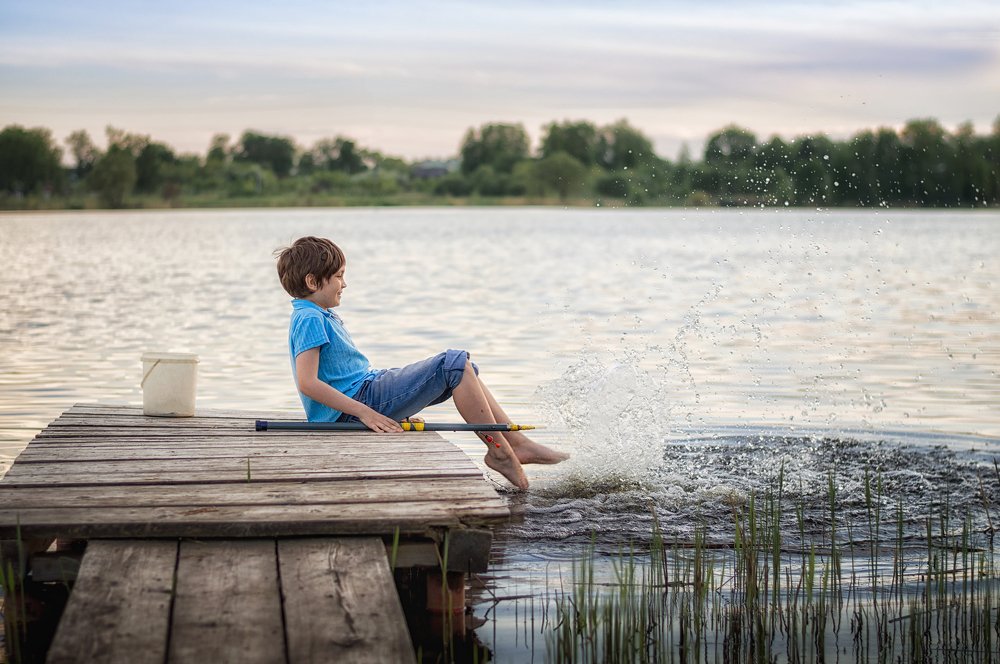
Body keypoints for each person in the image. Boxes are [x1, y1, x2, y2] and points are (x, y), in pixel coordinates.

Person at [275, 236, 568, 490]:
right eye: (338, 276)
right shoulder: (310, 317)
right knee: (453, 364)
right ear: (313, 282)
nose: (344, 283)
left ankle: (514, 444)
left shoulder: (316, 314)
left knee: (464, 368)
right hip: (358, 402)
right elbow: (308, 383)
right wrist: (367, 414)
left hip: (366, 390)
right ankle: (501, 451)